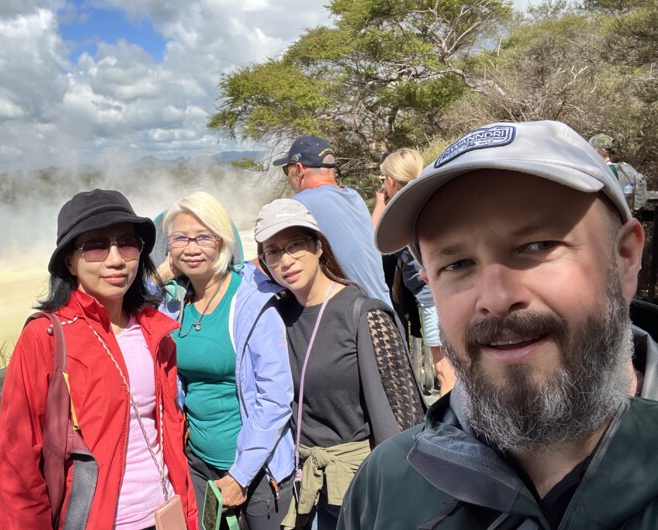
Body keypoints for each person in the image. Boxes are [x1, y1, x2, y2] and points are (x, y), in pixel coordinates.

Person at [340, 120, 658, 529]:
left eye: (538, 246)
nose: (495, 298)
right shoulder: (387, 487)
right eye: (456, 264)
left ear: (625, 257)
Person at [0, 189, 197, 529]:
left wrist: (189, 516)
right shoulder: (45, 337)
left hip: (165, 513)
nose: (116, 259)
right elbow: (19, 461)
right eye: (96, 246)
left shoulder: (154, 331)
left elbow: (168, 436)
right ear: (69, 261)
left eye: (127, 243)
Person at [253, 198, 426, 530]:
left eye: (295, 245)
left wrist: (404, 493)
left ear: (318, 246)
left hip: (359, 486)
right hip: (302, 484)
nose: (285, 260)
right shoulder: (275, 315)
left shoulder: (364, 313)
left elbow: (406, 417)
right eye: (272, 252)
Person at [158, 191, 295, 530]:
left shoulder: (252, 302)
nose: (191, 248)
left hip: (256, 472)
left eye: (204, 237)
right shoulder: (174, 302)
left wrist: (240, 475)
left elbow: (276, 398)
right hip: (199, 463)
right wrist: (160, 275)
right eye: (180, 238)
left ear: (222, 241)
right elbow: (120, 306)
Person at [371, 147, 456, 396]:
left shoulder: (403, 209)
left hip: (432, 299)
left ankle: (448, 431)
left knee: (445, 370)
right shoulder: (429, 199)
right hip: (446, 293)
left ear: (390, 180)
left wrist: (379, 203)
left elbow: (374, 240)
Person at [272, 135, 392, 308]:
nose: (287, 176)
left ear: (299, 169)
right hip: (385, 310)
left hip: (357, 319)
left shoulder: (299, 204)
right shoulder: (353, 196)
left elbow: (275, 254)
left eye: (286, 170)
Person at [589, 133, 649, 214]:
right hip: (625, 217)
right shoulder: (626, 170)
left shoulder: (597, 172)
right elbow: (641, 185)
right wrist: (636, 210)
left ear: (596, 150)